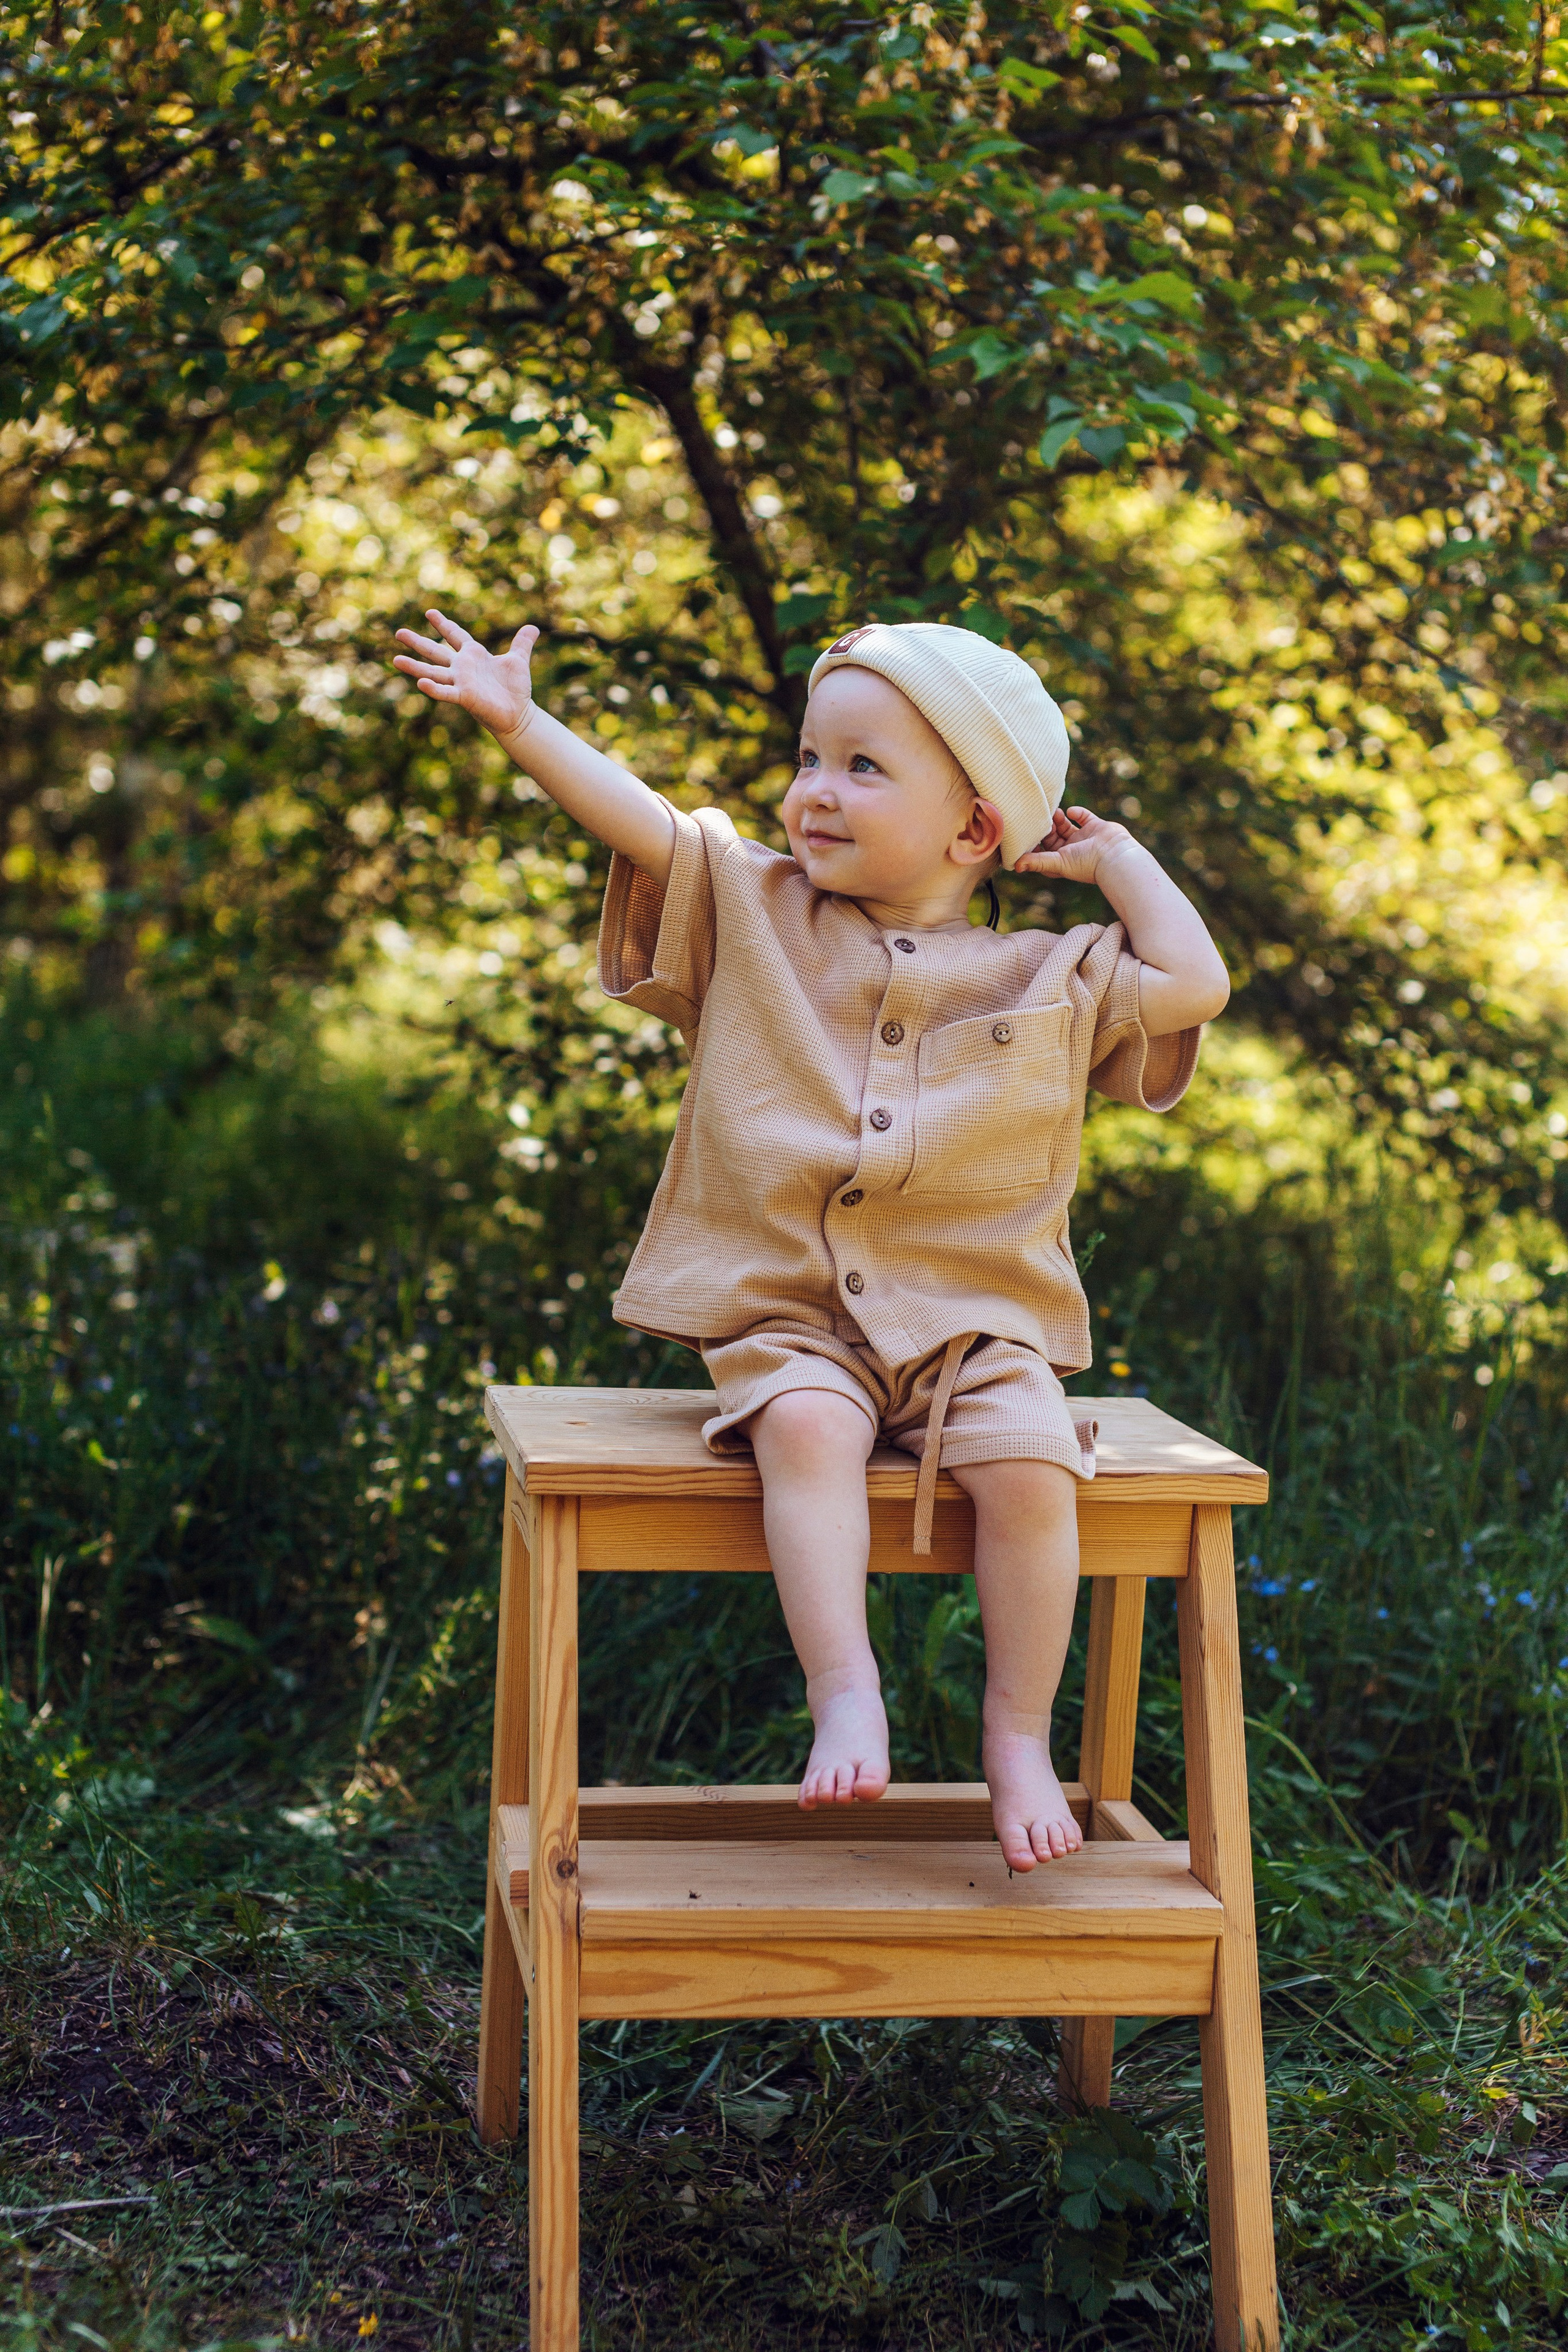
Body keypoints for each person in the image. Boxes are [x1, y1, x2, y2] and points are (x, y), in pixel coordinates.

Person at [391, 609, 1230, 1870]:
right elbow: (646, 823)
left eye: (862, 767)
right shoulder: (754, 911)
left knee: (1032, 1465)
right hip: (786, 1315)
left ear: (972, 830)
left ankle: (1015, 1734)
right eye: (809, 758)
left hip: (973, 1327)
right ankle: (844, 1689)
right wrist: (522, 723)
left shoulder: (1045, 977)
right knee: (805, 1426)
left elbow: (1193, 984)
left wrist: (1117, 863)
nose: (813, 793)